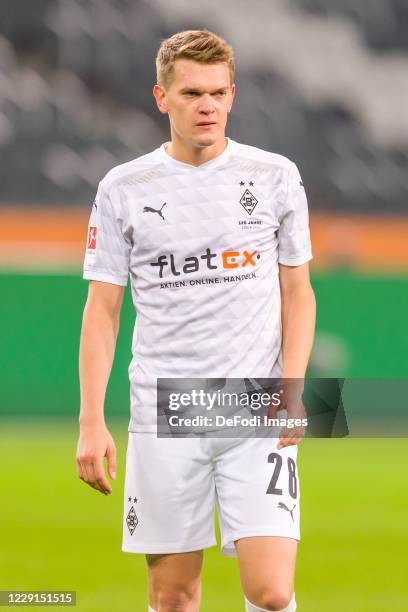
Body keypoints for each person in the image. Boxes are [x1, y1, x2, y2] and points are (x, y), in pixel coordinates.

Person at [76, 29, 316, 612]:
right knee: (175, 596)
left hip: (254, 404)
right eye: (189, 93)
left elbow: (298, 291)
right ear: (162, 98)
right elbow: (103, 309)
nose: (205, 105)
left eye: (216, 92)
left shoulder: (275, 176)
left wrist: (294, 385)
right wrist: (90, 419)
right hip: (164, 408)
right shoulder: (123, 188)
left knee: (273, 591)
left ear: (232, 95)